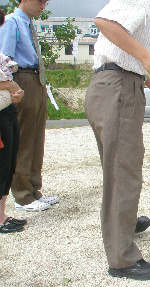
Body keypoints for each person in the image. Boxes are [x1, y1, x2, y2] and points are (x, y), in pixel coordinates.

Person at [85, 0, 150, 281]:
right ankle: (122, 259)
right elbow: (104, 22)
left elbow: (145, 71)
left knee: (121, 167)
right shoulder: (138, 1)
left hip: (117, 86)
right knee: (124, 171)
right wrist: (145, 56)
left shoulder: (147, 13)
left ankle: (125, 224)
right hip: (117, 88)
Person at [0, 0, 59, 212]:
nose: (42, 5)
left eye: (45, 2)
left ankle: (35, 189)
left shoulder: (28, 23)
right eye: (39, 1)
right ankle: (22, 194)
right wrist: (11, 87)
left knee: (36, 138)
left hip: (36, 79)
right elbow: (4, 59)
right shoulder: (12, 22)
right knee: (23, 139)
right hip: (21, 78)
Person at [0, 8, 26, 233]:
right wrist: (9, 86)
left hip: (6, 112)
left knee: (7, 163)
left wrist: (13, 90)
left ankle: (2, 214)